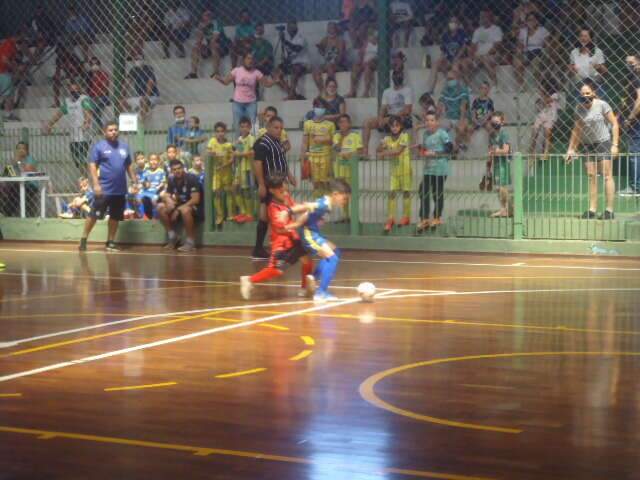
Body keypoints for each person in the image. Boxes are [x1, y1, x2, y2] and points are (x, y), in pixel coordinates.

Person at [240, 175, 315, 300]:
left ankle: (304, 288)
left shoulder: (286, 197)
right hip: (282, 244)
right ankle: (249, 280)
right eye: (280, 190)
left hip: (293, 239)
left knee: (307, 260)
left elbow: (295, 208)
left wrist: (307, 207)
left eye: (285, 188)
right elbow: (281, 228)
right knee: (277, 270)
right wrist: (300, 221)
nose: (284, 192)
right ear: (272, 191)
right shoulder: (273, 208)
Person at [287, 179, 352, 302]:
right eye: (344, 199)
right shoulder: (324, 204)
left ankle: (313, 278)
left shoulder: (327, 202)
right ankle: (321, 292)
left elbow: (309, 213)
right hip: (309, 235)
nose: (345, 201)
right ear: (335, 194)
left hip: (314, 233)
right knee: (332, 258)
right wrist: (289, 212)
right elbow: (306, 207)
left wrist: (311, 221)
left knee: (336, 252)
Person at [79, 121, 136, 252]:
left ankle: (110, 241)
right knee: (94, 215)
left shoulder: (124, 147)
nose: (113, 132)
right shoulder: (99, 147)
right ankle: (84, 239)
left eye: (115, 129)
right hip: (104, 189)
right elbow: (92, 165)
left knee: (115, 217)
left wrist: (134, 180)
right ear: (105, 132)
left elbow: (128, 165)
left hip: (120, 190)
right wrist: (96, 184)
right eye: (110, 130)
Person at [566, 81, 619, 219]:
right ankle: (592, 209)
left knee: (607, 175)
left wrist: (614, 145)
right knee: (591, 176)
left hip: (603, 142)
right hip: (587, 145)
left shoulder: (602, 105)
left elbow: (614, 123)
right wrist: (571, 149)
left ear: (594, 93)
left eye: (588, 93)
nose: (585, 96)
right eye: (582, 93)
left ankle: (609, 210)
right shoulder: (578, 107)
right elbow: (577, 129)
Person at [252, 115, 296, 259]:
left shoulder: (277, 142)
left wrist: (289, 175)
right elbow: (257, 164)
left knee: (269, 215)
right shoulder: (262, 143)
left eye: (281, 128)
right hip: (269, 185)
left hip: (278, 184)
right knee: (273, 215)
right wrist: (261, 185)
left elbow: (281, 159)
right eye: (276, 128)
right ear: (268, 127)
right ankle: (273, 248)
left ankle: (263, 249)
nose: (278, 131)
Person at [214, 52, 275, 135]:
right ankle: (239, 146)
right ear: (244, 60)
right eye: (248, 58)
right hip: (237, 103)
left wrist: (275, 81)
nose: (250, 61)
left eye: (252, 59)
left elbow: (267, 84)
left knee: (253, 127)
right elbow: (226, 82)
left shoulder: (256, 72)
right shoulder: (236, 71)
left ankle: (252, 145)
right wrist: (218, 78)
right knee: (237, 126)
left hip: (251, 103)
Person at [44, 80, 94, 172]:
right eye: (72, 90)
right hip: (73, 135)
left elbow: (88, 113)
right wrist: (49, 124)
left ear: (80, 90)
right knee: (76, 160)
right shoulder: (68, 102)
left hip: (84, 136)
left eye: (76, 90)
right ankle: (84, 176)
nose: (74, 92)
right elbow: (59, 114)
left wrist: (86, 123)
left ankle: (85, 179)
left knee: (82, 158)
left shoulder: (84, 99)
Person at [362, 70, 413, 156]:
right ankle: (365, 151)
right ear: (392, 77)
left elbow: (407, 109)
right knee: (367, 122)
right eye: (396, 76)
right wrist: (381, 118)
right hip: (388, 117)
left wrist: (393, 117)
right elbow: (383, 107)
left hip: (403, 117)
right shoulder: (387, 91)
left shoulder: (407, 90)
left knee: (393, 119)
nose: (397, 77)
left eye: (399, 75)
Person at [377, 115, 413, 232]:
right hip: (394, 172)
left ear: (401, 126)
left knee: (406, 193)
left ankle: (406, 216)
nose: (394, 128)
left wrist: (384, 153)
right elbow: (378, 150)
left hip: (405, 170)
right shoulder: (387, 139)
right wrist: (381, 144)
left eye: (397, 126)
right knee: (392, 193)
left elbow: (398, 151)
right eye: (392, 126)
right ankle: (391, 218)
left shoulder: (404, 136)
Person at [158, 159, 203, 252]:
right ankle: (173, 237)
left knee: (185, 210)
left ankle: (190, 242)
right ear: (171, 171)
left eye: (179, 168)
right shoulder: (171, 179)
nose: (177, 171)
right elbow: (167, 194)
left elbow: (196, 199)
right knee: (161, 207)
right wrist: (168, 200)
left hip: (196, 207)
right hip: (181, 204)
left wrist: (177, 210)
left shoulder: (192, 178)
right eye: (174, 169)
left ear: (183, 168)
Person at [333, 114, 362, 222]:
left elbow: (360, 150)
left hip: (351, 170)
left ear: (349, 123)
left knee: (352, 193)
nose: (342, 124)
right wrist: (342, 137)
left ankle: (354, 216)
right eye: (340, 122)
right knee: (342, 193)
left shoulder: (355, 136)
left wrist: (349, 154)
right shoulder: (336, 136)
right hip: (340, 169)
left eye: (345, 122)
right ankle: (345, 215)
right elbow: (336, 148)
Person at [429, 16, 470, 93]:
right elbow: (443, 51)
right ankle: (431, 90)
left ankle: (457, 90)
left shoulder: (462, 33)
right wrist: (441, 58)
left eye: (454, 22)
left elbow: (464, 47)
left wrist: (456, 57)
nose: (452, 24)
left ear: (458, 24)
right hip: (448, 59)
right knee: (435, 64)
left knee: (455, 66)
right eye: (451, 22)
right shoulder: (445, 35)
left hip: (460, 58)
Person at [302, 105, 336, 197]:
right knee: (315, 182)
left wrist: (322, 139)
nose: (319, 109)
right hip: (312, 157)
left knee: (326, 181)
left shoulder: (330, 125)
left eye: (321, 107)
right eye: (317, 107)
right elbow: (305, 142)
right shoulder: (307, 124)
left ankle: (327, 201)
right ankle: (317, 203)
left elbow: (333, 142)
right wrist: (303, 157)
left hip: (326, 156)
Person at [463, 10, 503, 88]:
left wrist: (486, 54)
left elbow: (497, 45)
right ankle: (468, 88)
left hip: (492, 54)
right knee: (465, 63)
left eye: (485, 17)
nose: (483, 19)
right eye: (482, 17)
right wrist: (472, 56)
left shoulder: (496, 29)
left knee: (484, 58)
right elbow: (473, 46)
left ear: (490, 18)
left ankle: (495, 85)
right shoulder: (477, 31)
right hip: (478, 55)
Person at [185, 10, 230, 79]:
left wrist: (207, 25)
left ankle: (216, 72)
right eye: (206, 15)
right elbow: (199, 41)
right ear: (202, 17)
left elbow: (214, 39)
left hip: (222, 46)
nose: (208, 17)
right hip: (211, 46)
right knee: (195, 48)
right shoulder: (203, 25)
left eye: (209, 15)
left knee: (213, 45)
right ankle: (193, 73)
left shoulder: (216, 23)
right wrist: (200, 29)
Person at [274, 21, 310, 100]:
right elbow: (288, 54)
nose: (290, 29)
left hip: (301, 63)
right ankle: (293, 94)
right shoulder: (287, 38)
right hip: (290, 63)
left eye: (292, 26)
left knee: (294, 70)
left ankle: (291, 96)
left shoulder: (301, 37)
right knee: (275, 74)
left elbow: (297, 49)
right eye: (289, 27)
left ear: (296, 27)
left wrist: (285, 42)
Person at [208, 122, 235, 227]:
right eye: (218, 131)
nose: (220, 133)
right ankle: (220, 216)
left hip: (227, 173)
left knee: (228, 193)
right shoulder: (212, 141)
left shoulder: (228, 145)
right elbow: (207, 152)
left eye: (222, 131)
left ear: (225, 132)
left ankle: (230, 214)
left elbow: (232, 159)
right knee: (216, 192)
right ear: (215, 132)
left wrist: (224, 165)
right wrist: (211, 153)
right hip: (215, 173)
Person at [620, 55, 640, 196]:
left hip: (637, 122)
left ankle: (635, 187)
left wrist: (630, 118)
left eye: (631, 63)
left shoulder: (637, 80)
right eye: (627, 63)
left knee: (635, 154)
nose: (629, 66)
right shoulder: (631, 80)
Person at [513, 13, 549, 90]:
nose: (531, 22)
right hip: (527, 52)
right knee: (517, 62)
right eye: (529, 20)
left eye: (533, 19)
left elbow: (547, 45)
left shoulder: (542, 30)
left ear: (537, 21)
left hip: (538, 52)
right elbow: (519, 44)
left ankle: (539, 86)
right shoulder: (523, 31)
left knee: (536, 62)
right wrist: (519, 51)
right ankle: (521, 86)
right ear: (526, 21)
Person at [437, 68, 470, 152]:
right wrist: (437, 117)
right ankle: (449, 149)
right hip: (449, 116)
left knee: (461, 128)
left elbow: (463, 107)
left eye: (451, 79)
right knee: (438, 127)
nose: (449, 81)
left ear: (457, 78)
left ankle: (458, 147)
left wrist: (461, 121)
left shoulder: (463, 89)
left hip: (461, 116)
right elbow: (440, 105)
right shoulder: (445, 90)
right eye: (447, 79)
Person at [569, 29, 607, 99]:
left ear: (591, 38)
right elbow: (571, 68)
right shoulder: (574, 52)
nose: (583, 38)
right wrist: (572, 69)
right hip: (579, 83)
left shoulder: (597, 51)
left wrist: (598, 67)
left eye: (586, 36)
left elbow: (605, 71)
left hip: (595, 83)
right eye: (581, 36)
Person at [487, 112, 512, 218]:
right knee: (499, 187)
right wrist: (488, 168)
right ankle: (505, 209)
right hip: (496, 163)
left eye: (497, 122)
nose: (494, 124)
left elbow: (506, 150)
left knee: (502, 187)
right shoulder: (491, 135)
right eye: (493, 122)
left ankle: (507, 209)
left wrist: (495, 151)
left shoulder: (504, 133)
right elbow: (490, 151)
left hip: (504, 162)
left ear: (502, 122)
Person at [120, 55, 160, 120]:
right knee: (122, 102)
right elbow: (127, 82)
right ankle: (130, 121)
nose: (137, 61)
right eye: (136, 59)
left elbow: (150, 83)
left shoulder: (148, 69)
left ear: (143, 60)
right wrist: (122, 94)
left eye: (139, 59)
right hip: (140, 96)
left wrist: (147, 95)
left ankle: (143, 123)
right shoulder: (133, 70)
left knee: (143, 101)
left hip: (152, 96)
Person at [233, 117, 256, 224]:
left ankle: (249, 214)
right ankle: (243, 211)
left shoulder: (251, 138)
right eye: (242, 126)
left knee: (247, 190)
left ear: (250, 127)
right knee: (235, 188)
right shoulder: (239, 139)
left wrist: (239, 154)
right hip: (239, 168)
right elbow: (235, 151)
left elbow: (252, 153)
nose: (244, 129)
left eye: (246, 126)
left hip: (248, 168)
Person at [312, 22, 346, 95]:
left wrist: (332, 60)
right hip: (328, 63)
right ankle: (322, 91)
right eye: (329, 28)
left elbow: (340, 57)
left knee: (330, 67)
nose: (330, 29)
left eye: (332, 28)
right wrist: (321, 49)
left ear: (336, 29)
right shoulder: (325, 39)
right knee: (316, 71)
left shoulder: (340, 40)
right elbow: (321, 51)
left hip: (338, 65)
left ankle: (330, 90)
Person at [529, 80, 560, 161]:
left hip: (551, 115)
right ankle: (532, 150)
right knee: (535, 129)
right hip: (542, 114)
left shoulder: (555, 95)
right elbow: (538, 104)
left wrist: (542, 94)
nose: (541, 89)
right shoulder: (541, 96)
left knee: (547, 132)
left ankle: (546, 152)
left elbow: (547, 100)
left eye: (543, 87)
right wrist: (540, 98)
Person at [346, 28, 378, 98]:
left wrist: (370, 61)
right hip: (365, 62)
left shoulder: (380, 44)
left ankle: (366, 92)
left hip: (375, 63)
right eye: (370, 36)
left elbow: (380, 56)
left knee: (367, 68)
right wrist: (360, 61)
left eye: (373, 35)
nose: (371, 37)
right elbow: (361, 53)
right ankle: (352, 91)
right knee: (355, 67)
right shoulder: (367, 43)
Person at [140, 153, 167, 220]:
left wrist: (158, 187)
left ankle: (155, 216)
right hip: (147, 190)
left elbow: (163, 182)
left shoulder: (161, 171)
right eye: (151, 160)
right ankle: (145, 215)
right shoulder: (146, 171)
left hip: (157, 190)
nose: (153, 162)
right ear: (148, 161)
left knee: (154, 199)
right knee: (140, 197)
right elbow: (142, 181)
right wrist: (145, 184)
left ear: (158, 161)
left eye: (155, 160)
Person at [0, 36, 19, 121]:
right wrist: (14, 68)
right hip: (3, 72)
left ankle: (8, 114)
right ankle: (8, 115)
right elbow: (4, 59)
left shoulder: (12, 45)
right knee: (8, 95)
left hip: (4, 72)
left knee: (8, 94)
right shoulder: (9, 43)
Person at [87, 57, 110, 128]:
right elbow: (85, 88)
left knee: (94, 107)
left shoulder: (104, 74)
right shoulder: (88, 75)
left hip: (102, 96)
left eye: (96, 64)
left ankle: (100, 126)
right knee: (90, 105)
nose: (94, 65)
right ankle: (100, 126)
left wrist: (96, 97)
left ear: (99, 65)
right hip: (91, 97)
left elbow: (105, 88)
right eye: (92, 64)